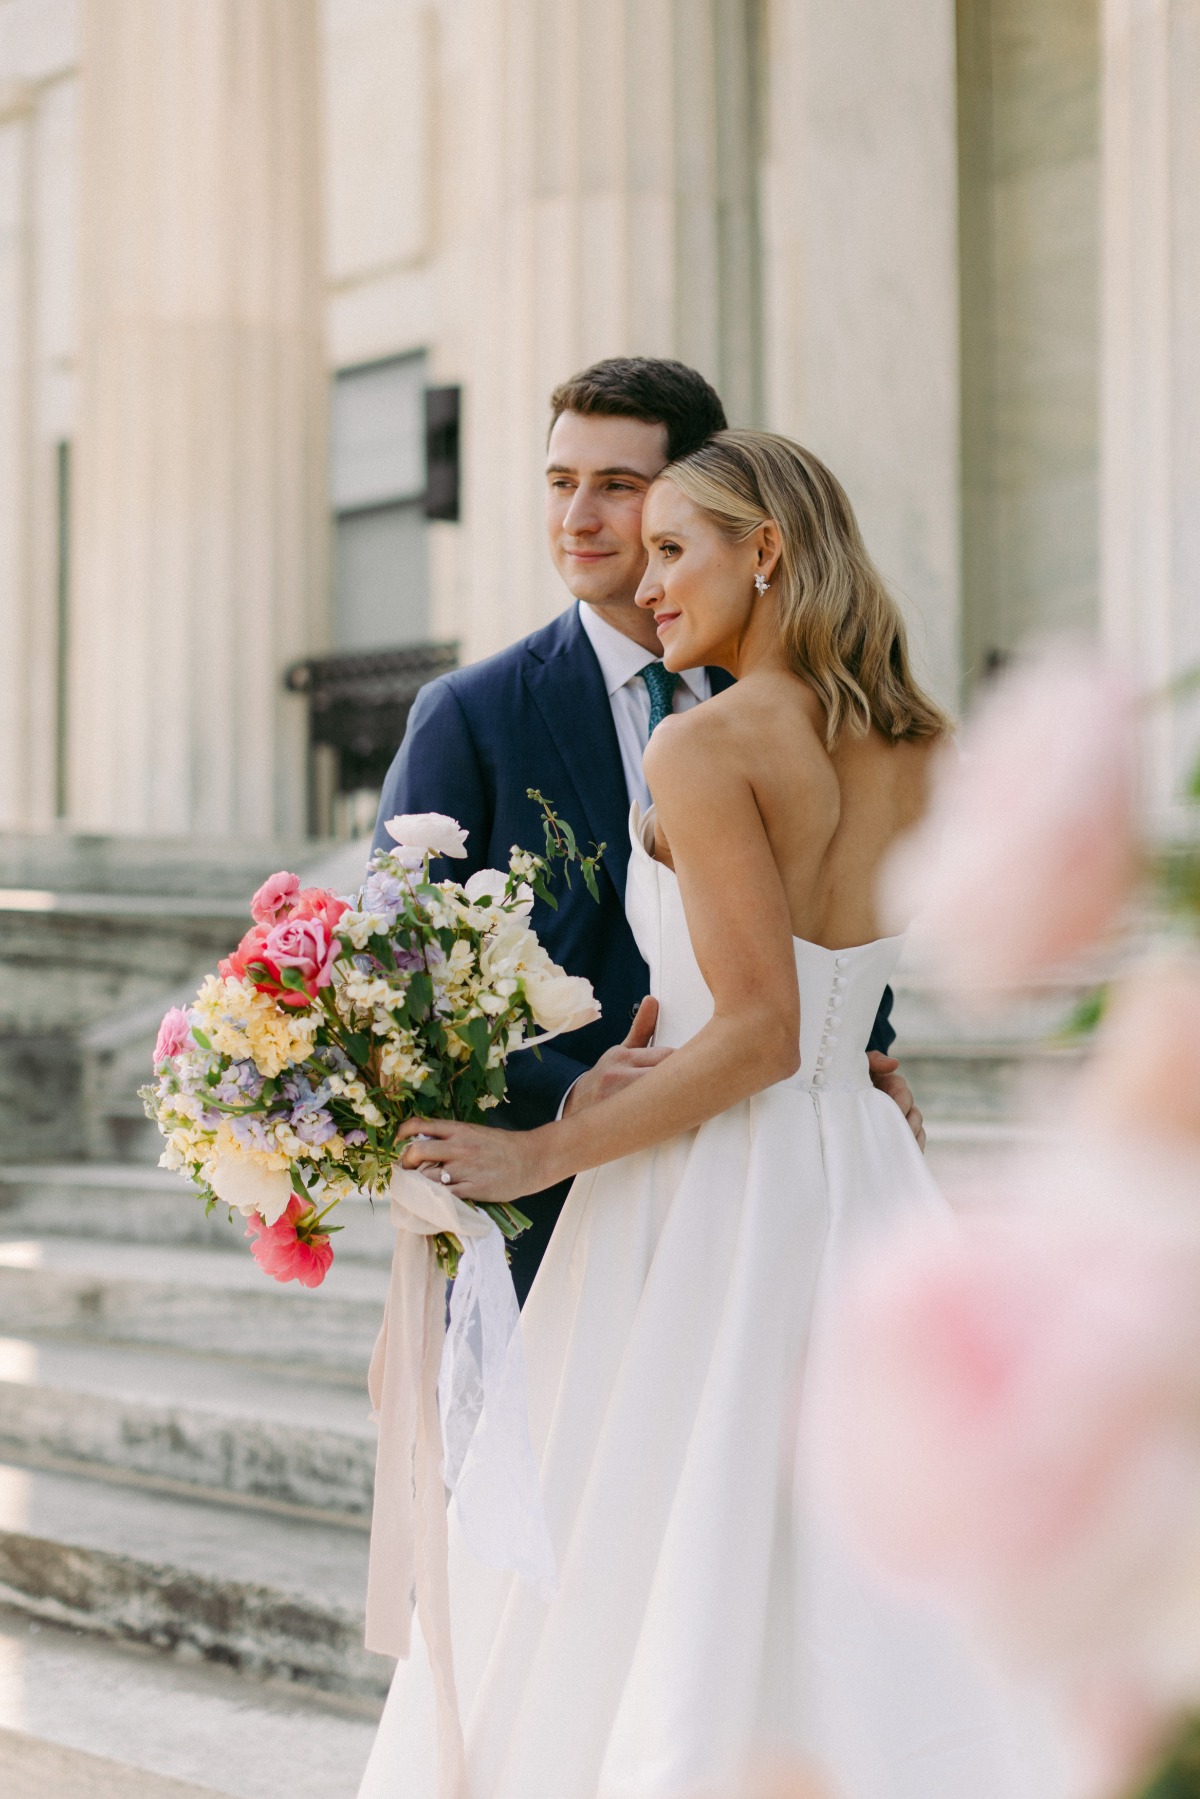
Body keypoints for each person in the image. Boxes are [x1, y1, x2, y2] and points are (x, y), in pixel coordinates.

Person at [357, 433, 1051, 1798]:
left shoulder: (707, 741)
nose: (649, 579)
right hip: (863, 1161)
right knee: (852, 1547)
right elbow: (830, 1001)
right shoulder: (927, 737)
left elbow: (754, 1031)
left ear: (768, 550)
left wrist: (537, 1148)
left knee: (672, 1523)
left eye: (677, 548)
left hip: (715, 1185)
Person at [371, 358, 920, 1302]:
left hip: (778, 1195)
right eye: (559, 482)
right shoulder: (471, 715)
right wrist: (569, 1098)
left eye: (617, 488)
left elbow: (826, 943)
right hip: (556, 1216)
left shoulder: (804, 711)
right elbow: (396, 985)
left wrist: (861, 1059)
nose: (576, 518)